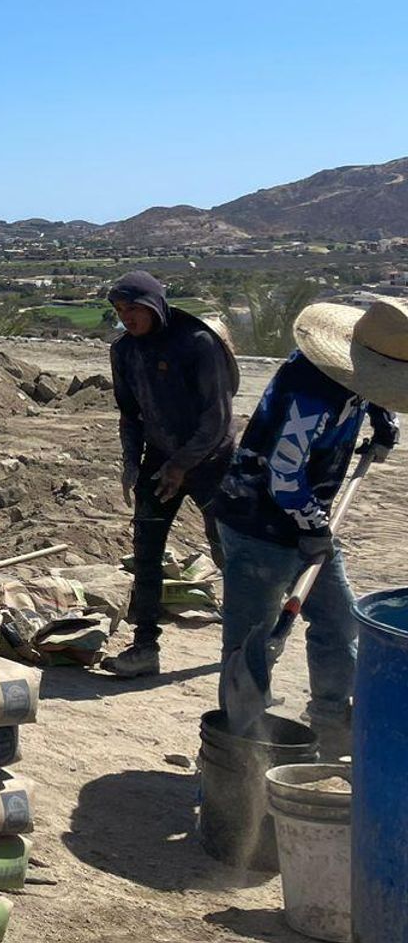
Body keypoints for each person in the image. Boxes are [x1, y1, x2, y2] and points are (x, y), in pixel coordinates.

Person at [212, 296, 404, 747]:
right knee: (253, 642)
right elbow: (283, 477)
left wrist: (383, 422)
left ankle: (330, 722)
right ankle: (239, 746)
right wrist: (315, 529)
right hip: (257, 523)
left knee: (339, 623)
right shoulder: (312, 394)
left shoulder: (355, 374)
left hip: (304, 521)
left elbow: (374, 390)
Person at [102, 270, 239, 679]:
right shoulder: (123, 352)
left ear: (154, 305)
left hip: (213, 460)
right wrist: (131, 463)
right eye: (120, 310)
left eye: (134, 308)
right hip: (160, 461)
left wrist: (183, 465)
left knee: (229, 551)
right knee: (146, 550)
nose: (127, 317)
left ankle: (243, 645)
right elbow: (130, 413)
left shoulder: (196, 343)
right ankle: (145, 646)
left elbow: (218, 417)